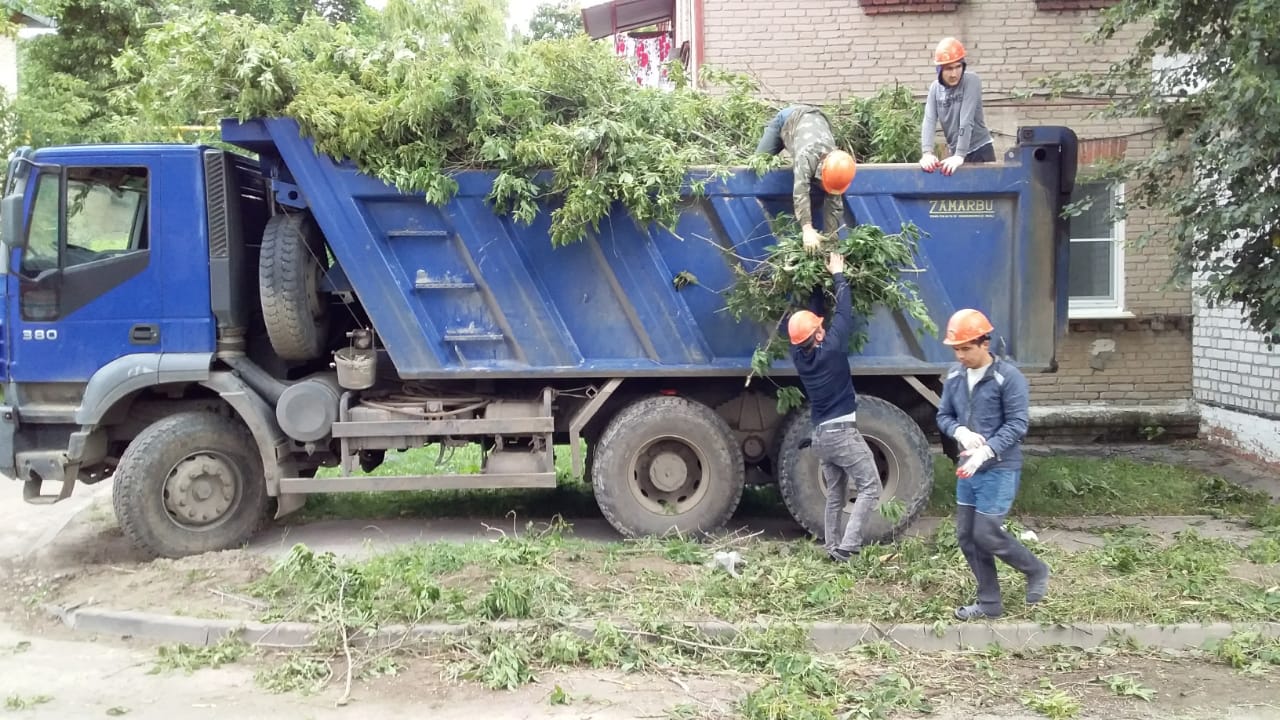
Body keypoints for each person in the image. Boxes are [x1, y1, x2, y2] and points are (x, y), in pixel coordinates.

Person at [935, 309, 1050, 620]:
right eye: (955, 349)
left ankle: (1036, 570)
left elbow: (1017, 425)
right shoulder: (956, 376)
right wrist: (961, 432)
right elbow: (943, 416)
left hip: (999, 468)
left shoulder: (1008, 378)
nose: (960, 356)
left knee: (986, 533)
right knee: (966, 536)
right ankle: (989, 602)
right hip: (967, 470)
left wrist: (985, 452)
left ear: (984, 344)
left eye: (965, 349)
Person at [784, 251, 880, 563]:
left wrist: (815, 284)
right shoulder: (833, 351)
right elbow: (845, 314)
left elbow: (813, 324)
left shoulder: (800, 356)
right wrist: (837, 274)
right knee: (870, 487)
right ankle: (848, 547)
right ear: (819, 334)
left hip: (821, 438)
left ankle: (830, 546)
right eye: (820, 327)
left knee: (836, 495)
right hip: (841, 434)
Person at [757, 105, 857, 253]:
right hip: (788, 118)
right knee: (759, 162)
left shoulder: (837, 165)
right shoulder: (806, 157)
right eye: (825, 185)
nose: (825, 190)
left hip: (817, 118)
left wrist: (832, 244)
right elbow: (800, 192)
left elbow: (834, 205)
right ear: (822, 172)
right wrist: (807, 229)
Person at [919, 37, 995, 176]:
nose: (954, 74)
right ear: (939, 69)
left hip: (980, 152)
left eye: (958, 67)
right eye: (948, 68)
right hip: (956, 155)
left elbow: (966, 120)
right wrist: (927, 153)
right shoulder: (935, 89)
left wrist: (960, 155)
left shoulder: (971, 81)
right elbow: (929, 121)